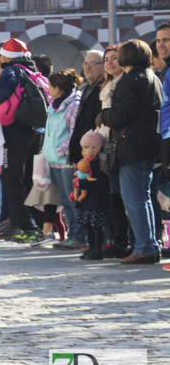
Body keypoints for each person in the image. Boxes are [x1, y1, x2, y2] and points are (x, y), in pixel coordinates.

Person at [100, 39, 163, 265]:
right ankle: (150, 245)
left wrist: (104, 115)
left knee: (134, 199)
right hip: (149, 146)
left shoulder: (129, 81)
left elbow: (120, 116)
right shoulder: (152, 77)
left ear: (126, 57)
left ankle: (145, 247)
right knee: (144, 197)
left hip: (132, 147)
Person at [0, 38, 43, 240]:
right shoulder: (30, 70)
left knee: (11, 179)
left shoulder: (11, 72)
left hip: (15, 130)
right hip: (34, 130)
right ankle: (45, 224)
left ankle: (26, 228)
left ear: (4, 56)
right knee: (27, 181)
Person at [54, 50, 105, 250]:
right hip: (81, 152)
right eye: (86, 63)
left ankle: (96, 241)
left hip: (94, 151)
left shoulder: (100, 88)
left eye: (94, 63)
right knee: (74, 198)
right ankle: (85, 238)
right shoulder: (88, 88)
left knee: (90, 199)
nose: (88, 67)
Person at [31, 69, 82, 246]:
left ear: (58, 88)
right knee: (65, 201)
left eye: (50, 87)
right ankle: (73, 235)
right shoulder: (54, 106)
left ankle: (79, 236)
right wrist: (46, 151)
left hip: (67, 161)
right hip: (54, 162)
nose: (49, 90)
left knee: (73, 201)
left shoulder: (73, 105)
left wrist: (60, 150)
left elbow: (74, 132)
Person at [97, 45, 131, 258]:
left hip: (118, 143)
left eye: (114, 58)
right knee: (112, 196)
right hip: (105, 143)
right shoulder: (108, 83)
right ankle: (117, 238)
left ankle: (123, 240)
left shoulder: (124, 83)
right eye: (107, 59)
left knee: (121, 196)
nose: (110, 63)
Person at [71, 130, 110, 260]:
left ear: (96, 148)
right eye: (83, 148)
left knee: (96, 227)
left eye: (86, 148)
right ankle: (91, 248)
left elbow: (98, 183)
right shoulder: (83, 163)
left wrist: (80, 183)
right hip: (86, 202)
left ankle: (97, 250)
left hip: (96, 201)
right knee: (87, 227)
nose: (83, 151)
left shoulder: (98, 164)